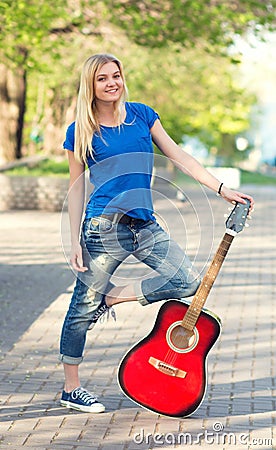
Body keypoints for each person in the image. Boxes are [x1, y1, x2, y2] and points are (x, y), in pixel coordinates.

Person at [59, 53, 254, 413]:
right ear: (91, 84)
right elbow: (76, 189)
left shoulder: (142, 116)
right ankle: (71, 388)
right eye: (102, 78)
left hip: (144, 223)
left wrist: (221, 188)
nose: (111, 83)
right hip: (103, 228)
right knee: (81, 308)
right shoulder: (81, 130)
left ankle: (114, 299)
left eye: (115, 75)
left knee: (188, 281)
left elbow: (179, 155)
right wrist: (73, 241)